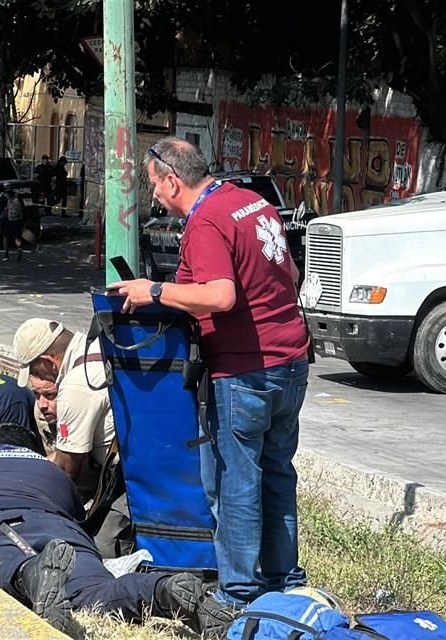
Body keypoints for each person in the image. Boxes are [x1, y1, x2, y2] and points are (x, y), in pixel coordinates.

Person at [110, 136, 309, 611]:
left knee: (235, 484)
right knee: (278, 475)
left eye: (154, 186)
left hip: (245, 373)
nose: (154, 196)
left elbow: (221, 296)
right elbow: (292, 274)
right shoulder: (251, 203)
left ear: (173, 180)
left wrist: (154, 292)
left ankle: (239, 595)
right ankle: (284, 583)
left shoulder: (206, 222)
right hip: (291, 362)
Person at [0, 422, 231, 637]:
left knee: (4, 566)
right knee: (97, 595)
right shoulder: (51, 471)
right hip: (64, 529)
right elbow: (76, 512)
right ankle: (161, 589)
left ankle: (29, 574)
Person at [13, 318, 115, 501]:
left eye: (36, 371)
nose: (36, 376)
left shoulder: (75, 385)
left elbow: (66, 471)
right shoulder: (97, 343)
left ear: (49, 361)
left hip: (128, 480)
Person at [0, 188, 25, 261]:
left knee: (5, 236)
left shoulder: (3, 197)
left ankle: (6, 254)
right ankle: (19, 248)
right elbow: (23, 207)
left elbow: (0, 208)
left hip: (6, 219)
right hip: (16, 218)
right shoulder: (17, 196)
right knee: (17, 236)